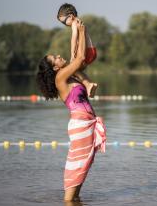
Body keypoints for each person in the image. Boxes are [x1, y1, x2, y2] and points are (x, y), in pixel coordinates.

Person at [36, 21, 106, 202]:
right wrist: (81, 31)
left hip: (86, 124)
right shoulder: (60, 78)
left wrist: (76, 31)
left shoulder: (69, 76)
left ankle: (74, 201)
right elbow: (80, 58)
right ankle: (68, 201)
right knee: (78, 168)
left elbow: (76, 56)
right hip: (81, 125)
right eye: (56, 58)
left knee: (82, 167)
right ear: (55, 68)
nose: (59, 56)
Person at [57, 3, 98, 98]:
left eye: (64, 22)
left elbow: (74, 39)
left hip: (87, 52)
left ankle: (87, 85)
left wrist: (72, 54)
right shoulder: (80, 21)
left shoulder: (75, 23)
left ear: (71, 16)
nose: (64, 24)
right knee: (77, 71)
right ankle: (89, 84)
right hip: (91, 51)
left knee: (71, 68)